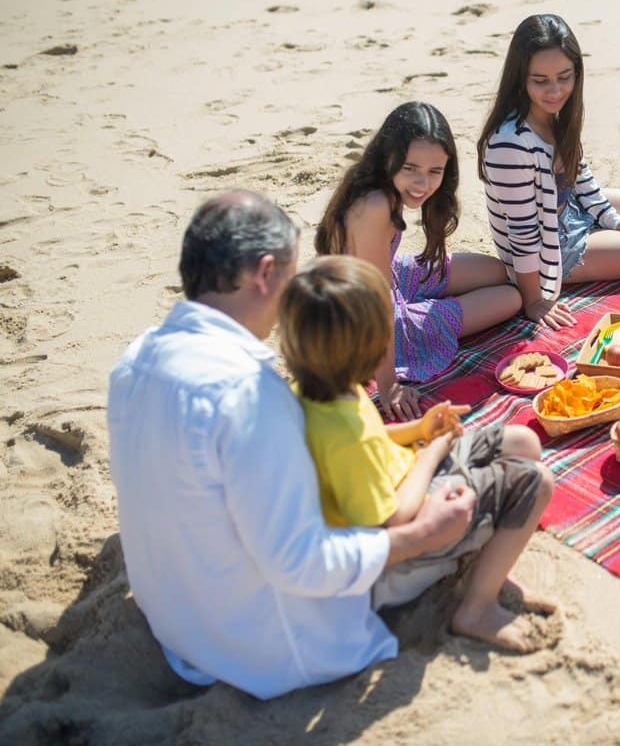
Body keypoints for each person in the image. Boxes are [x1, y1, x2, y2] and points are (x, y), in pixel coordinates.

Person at [107, 191, 478, 700]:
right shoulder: (248, 394)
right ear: (264, 273)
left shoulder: (135, 357)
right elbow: (302, 561)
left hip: (176, 623)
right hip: (267, 646)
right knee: (487, 479)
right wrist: (421, 536)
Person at [278, 255, 556, 651]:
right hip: (406, 535)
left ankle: (486, 562)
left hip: (407, 474)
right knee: (535, 482)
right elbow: (395, 518)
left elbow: (374, 438)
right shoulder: (341, 431)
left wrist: (419, 430)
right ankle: (476, 607)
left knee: (523, 444)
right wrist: (432, 449)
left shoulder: (319, 387)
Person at [477, 13, 620, 330]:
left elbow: (579, 174)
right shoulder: (510, 142)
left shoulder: (556, 114)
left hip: (570, 208)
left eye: (565, 77)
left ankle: (606, 229)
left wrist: (611, 219)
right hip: (553, 245)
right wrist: (534, 299)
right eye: (540, 80)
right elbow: (521, 231)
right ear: (520, 77)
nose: (555, 91)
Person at [316, 101, 522, 422]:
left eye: (434, 171)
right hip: (359, 320)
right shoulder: (375, 205)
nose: (423, 185)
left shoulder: (377, 185)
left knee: (497, 272)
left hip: (388, 276)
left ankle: (427, 304)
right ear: (389, 157)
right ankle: (426, 316)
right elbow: (376, 301)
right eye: (410, 169)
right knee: (510, 297)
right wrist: (389, 386)